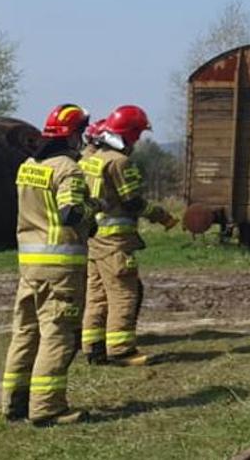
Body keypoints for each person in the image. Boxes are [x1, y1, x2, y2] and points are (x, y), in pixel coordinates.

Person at [1, 104, 94, 425]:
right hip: (60, 268)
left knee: (25, 332)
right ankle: (47, 408)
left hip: (29, 266)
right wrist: (90, 213)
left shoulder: (27, 166)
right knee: (57, 335)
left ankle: (13, 403)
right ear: (72, 134)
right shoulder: (68, 169)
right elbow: (70, 213)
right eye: (81, 131)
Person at [78, 105, 175, 366]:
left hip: (94, 238)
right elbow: (132, 201)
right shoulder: (120, 162)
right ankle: (121, 349)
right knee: (124, 293)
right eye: (138, 134)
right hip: (116, 241)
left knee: (96, 294)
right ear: (130, 133)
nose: (139, 140)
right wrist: (161, 215)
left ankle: (93, 347)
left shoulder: (91, 158)